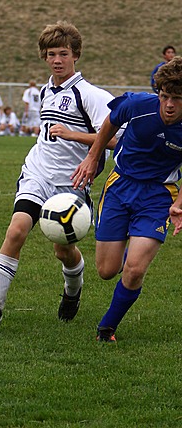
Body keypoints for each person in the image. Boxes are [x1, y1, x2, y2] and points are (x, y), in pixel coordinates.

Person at [0, 20, 116, 329]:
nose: (56, 60)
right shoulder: (44, 91)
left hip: (71, 184)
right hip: (37, 173)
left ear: (75, 55)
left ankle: (72, 290)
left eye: (63, 53)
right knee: (16, 230)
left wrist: (73, 135)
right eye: (51, 54)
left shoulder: (90, 95)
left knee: (62, 250)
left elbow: (118, 139)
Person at [72, 56, 182, 343]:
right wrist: (93, 157)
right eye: (165, 96)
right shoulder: (138, 105)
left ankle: (107, 327)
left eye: (178, 99)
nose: (169, 104)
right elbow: (110, 121)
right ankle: (126, 248)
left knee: (134, 270)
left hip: (158, 194)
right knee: (107, 271)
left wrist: (179, 202)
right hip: (120, 186)